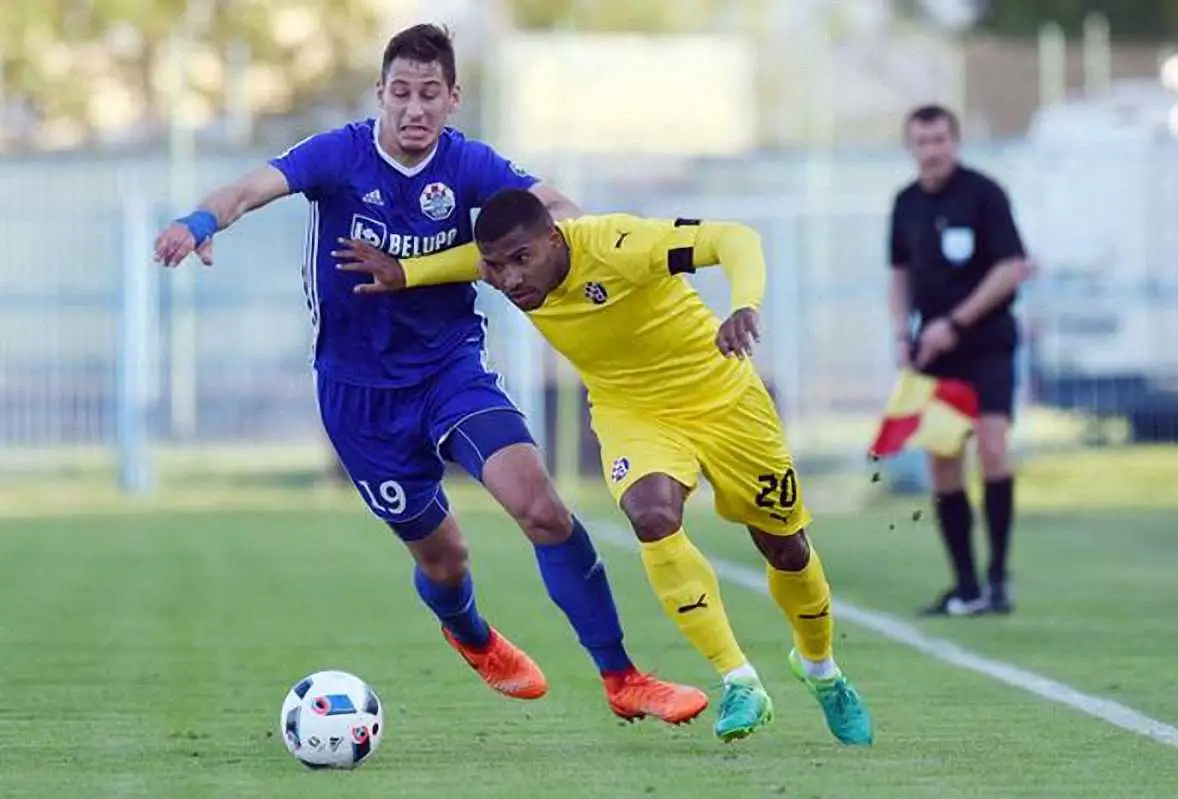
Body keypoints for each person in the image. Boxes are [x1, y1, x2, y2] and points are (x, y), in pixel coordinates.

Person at [152, 24, 707, 726]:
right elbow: (250, 187)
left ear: (452, 98)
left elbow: (555, 207)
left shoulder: (467, 163)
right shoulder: (340, 154)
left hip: (451, 371)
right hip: (360, 399)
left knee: (541, 508)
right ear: (381, 93)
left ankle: (622, 676)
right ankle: (471, 634)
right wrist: (201, 220)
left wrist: (586, 243)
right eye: (402, 93)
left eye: (430, 94)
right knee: (445, 559)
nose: (415, 109)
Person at [334, 189, 875, 746]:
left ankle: (821, 670)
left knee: (785, 548)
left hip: (725, 400)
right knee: (652, 515)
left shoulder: (621, 244)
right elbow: (464, 261)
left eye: (521, 260)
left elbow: (734, 238)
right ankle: (738, 680)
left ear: (554, 239)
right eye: (496, 267)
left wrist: (745, 306)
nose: (510, 278)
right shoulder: (504, 266)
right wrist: (403, 272)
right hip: (631, 411)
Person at [887, 104, 1030, 616]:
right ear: (911, 147)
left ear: (955, 141)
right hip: (935, 355)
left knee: (992, 447)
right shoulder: (905, 203)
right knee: (943, 461)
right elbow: (899, 274)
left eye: (940, 140)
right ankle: (966, 585)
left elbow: (1010, 269)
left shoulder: (984, 194)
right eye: (922, 142)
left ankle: (998, 578)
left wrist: (955, 323)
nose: (932, 151)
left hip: (986, 344)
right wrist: (902, 333)